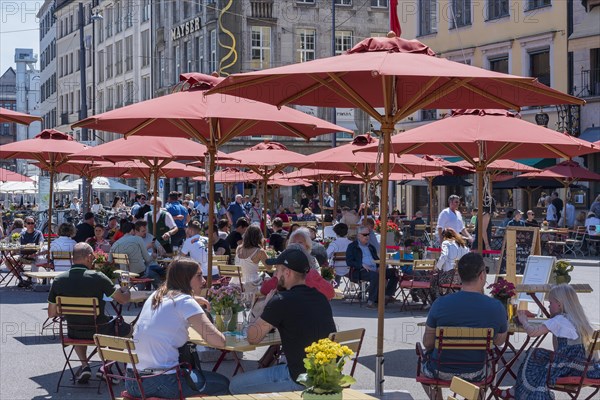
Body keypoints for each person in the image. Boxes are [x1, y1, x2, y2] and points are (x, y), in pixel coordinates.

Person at [229, 248, 337, 394]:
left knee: (234, 384)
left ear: (287, 272)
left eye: (277, 271)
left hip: (299, 379)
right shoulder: (320, 298)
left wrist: (265, 307)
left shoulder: (281, 300)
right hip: (325, 377)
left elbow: (253, 337)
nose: (274, 275)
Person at [127, 259, 230, 397]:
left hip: (133, 382)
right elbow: (218, 342)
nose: (204, 280)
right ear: (185, 278)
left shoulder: (156, 296)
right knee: (224, 383)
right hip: (163, 382)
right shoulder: (186, 302)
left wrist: (194, 298)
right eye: (199, 276)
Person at [421, 253, 507, 399]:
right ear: (482, 275)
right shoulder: (496, 307)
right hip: (476, 372)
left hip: (440, 371)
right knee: (490, 364)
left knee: (423, 366)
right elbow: (499, 341)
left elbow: (427, 343)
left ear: (459, 276)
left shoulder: (440, 304)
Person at [495, 284, 600, 399]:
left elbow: (533, 332)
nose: (549, 307)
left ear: (559, 304)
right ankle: (517, 392)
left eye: (550, 303)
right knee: (541, 361)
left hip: (569, 368)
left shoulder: (559, 320)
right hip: (586, 368)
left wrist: (524, 321)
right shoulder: (578, 319)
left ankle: (522, 393)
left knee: (534, 354)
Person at [48, 243, 131, 383]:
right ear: (88, 257)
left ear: (72, 258)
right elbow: (122, 300)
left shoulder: (58, 280)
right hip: (100, 330)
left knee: (79, 322)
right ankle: (106, 367)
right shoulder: (98, 277)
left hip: (74, 331)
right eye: (92, 256)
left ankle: (85, 365)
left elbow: (51, 313)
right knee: (128, 330)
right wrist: (126, 290)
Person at [346, 225, 399, 309]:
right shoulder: (352, 246)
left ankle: (387, 295)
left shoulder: (370, 247)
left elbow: (377, 259)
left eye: (368, 234)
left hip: (374, 269)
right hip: (360, 270)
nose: (367, 236)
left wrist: (379, 266)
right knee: (375, 276)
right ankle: (371, 301)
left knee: (394, 272)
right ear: (359, 235)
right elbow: (349, 262)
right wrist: (361, 265)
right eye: (365, 234)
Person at [110, 221, 164, 288]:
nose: (145, 232)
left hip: (125, 275)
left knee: (153, 270)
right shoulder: (137, 240)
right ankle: (159, 291)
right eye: (143, 231)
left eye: (145, 230)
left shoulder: (117, 243)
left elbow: (110, 260)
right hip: (138, 273)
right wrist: (152, 255)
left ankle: (146, 292)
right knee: (154, 272)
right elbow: (147, 260)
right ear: (134, 231)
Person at [433, 228, 469, 297]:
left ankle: (436, 300)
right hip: (462, 277)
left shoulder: (446, 243)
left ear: (444, 236)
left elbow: (444, 256)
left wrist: (437, 267)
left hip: (449, 276)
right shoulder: (462, 245)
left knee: (433, 279)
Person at [235, 225, 268, 293]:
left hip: (237, 282)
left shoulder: (239, 248)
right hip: (253, 283)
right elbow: (269, 267)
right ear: (259, 237)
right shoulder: (260, 251)